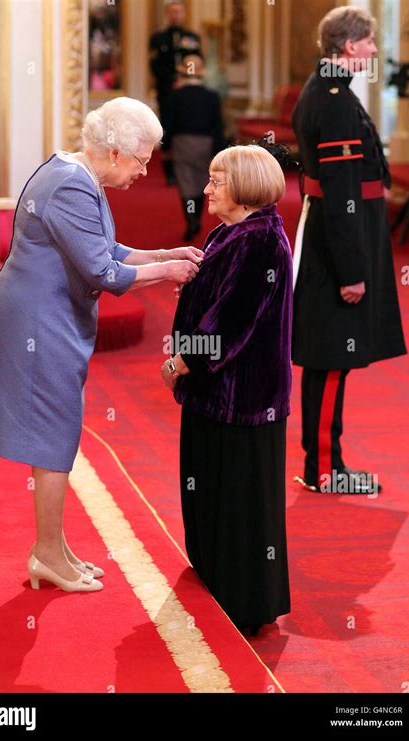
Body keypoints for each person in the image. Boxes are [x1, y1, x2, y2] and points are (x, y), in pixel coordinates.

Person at [0, 97, 202, 593]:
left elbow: (109, 250)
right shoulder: (69, 187)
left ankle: (54, 548)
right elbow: (105, 272)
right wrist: (169, 270)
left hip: (50, 311)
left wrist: (164, 253)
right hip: (39, 320)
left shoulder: (82, 176)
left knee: (58, 430)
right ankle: (48, 555)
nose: (145, 170)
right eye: (142, 159)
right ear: (115, 151)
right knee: (54, 432)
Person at [161, 144, 293, 636]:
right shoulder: (236, 232)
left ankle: (246, 599)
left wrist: (181, 360)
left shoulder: (256, 241)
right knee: (214, 486)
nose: (207, 188)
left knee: (240, 497)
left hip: (242, 397)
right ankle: (217, 572)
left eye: (217, 180)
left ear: (244, 187)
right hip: (221, 395)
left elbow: (230, 327)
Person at [291, 6, 406, 496]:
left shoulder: (327, 88)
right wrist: (352, 271)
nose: (375, 51)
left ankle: (325, 462)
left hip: (332, 238)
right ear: (350, 46)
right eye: (370, 42)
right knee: (333, 358)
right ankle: (324, 468)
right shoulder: (335, 99)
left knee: (330, 357)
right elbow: (341, 193)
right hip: (340, 245)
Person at [164, 54, 225, 240]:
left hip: (182, 143)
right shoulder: (212, 96)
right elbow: (218, 125)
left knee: (186, 184)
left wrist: (165, 146)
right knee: (201, 183)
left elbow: (168, 123)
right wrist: (218, 148)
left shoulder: (174, 96)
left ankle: (191, 220)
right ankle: (196, 218)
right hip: (205, 145)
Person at [149, 1, 202, 185]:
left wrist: (186, 79)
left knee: (185, 128)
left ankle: (187, 169)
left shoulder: (192, 37)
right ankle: (170, 173)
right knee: (168, 130)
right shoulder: (158, 38)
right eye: (172, 12)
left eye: (179, 12)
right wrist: (173, 80)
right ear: (167, 15)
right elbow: (155, 65)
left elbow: (197, 61)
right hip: (167, 92)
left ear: (184, 14)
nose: (176, 16)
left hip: (188, 92)